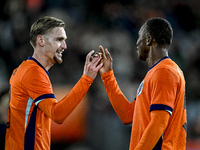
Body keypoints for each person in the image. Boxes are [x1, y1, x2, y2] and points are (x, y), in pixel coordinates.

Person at [5, 16, 103, 150]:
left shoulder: (23, 69)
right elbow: (57, 114)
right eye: (59, 40)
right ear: (41, 40)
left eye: (64, 40)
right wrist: (86, 79)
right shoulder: (33, 73)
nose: (64, 46)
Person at [99, 17, 187, 149]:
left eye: (139, 36)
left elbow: (158, 123)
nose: (136, 42)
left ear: (149, 39)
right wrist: (107, 76)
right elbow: (127, 115)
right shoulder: (157, 72)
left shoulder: (164, 71)